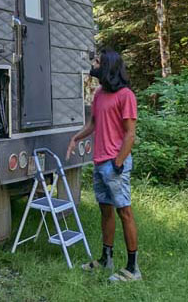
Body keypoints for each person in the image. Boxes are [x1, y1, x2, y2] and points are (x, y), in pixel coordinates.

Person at [66, 48, 141, 282]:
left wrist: (118, 162)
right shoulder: (99, 93)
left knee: (124, 213)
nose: (93, 64)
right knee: (105, 211)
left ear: (107, 66)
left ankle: (133, 269)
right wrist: (76, 137)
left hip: (115, 163)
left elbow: (130, 134)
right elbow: (94, 123)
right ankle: (106, 259)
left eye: (97, 61)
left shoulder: (126, 95)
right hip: (99, 163)